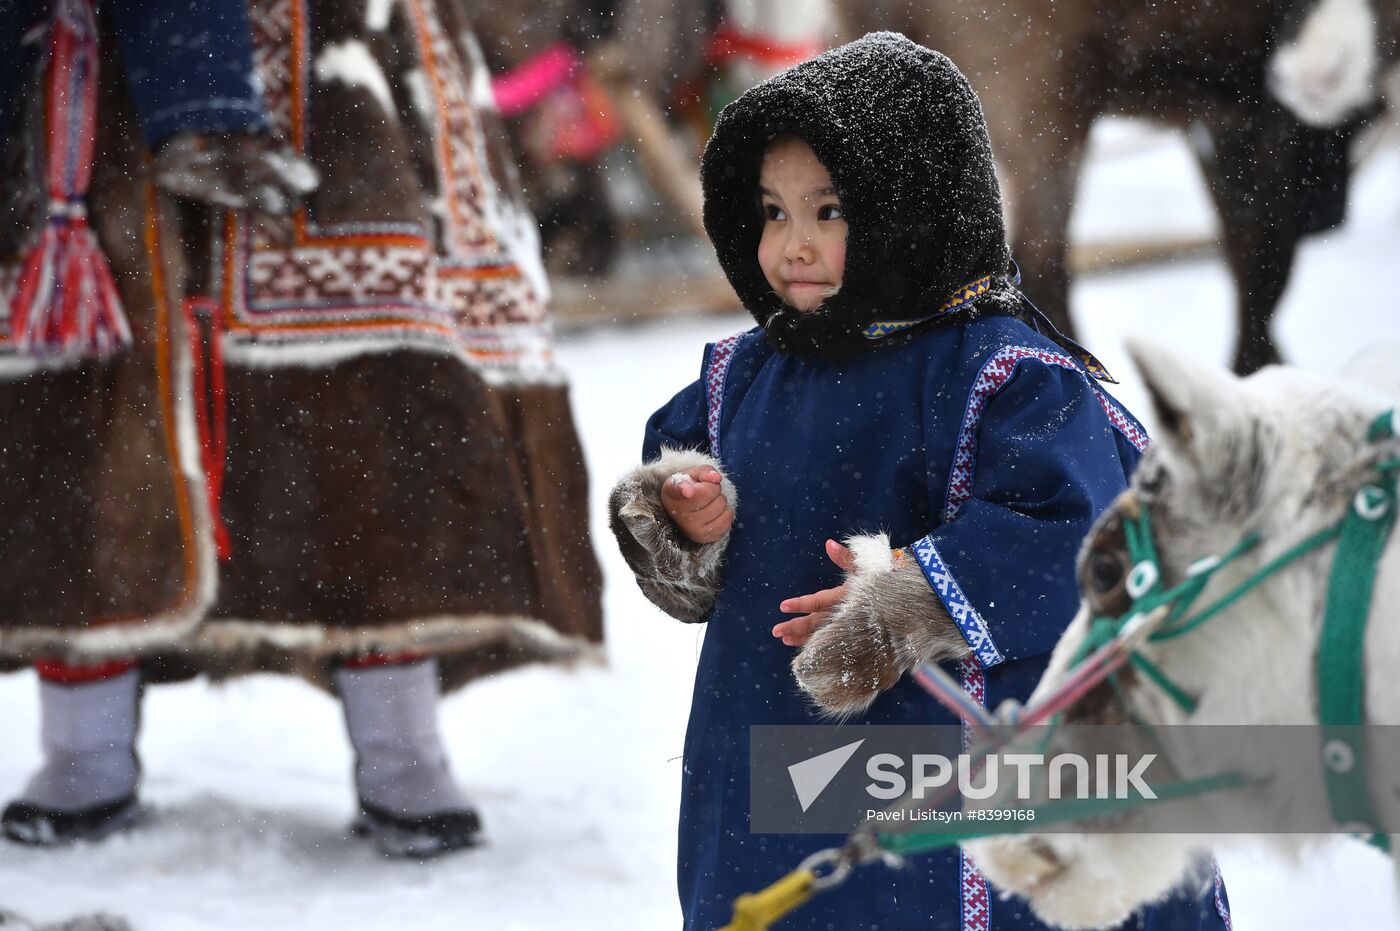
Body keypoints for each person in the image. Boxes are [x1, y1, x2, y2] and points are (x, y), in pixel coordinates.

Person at [609, 32, 1232, 930]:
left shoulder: (999, 373)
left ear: (915, 205)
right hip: (771, 736)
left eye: (828, 212)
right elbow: (675, 474)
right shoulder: (744, 372)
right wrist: (690, 518)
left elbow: (1077, 528)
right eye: (773, 212)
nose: (791, 243)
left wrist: (912, 597)